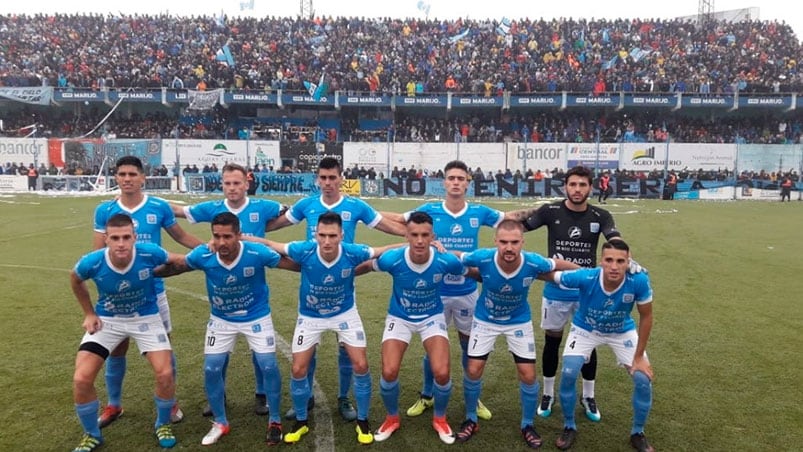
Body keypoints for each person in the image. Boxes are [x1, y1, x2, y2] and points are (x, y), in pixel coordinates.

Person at [267, 156, 406, 421]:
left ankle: (344, 397)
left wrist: (414, 235)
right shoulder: (307, 204)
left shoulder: (356, 206)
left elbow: (387, 226)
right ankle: (305, 397)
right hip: (311, 281)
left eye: (333, 177)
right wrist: (243, 229)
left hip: (345, 279)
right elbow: (279, 224)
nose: (328, 183)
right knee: (310, 347)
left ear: (341, 178)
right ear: (317, 179)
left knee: (346, 348)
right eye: (323, 178)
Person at [250, 212, 401, 445]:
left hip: (345, 314)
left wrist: (412, 241)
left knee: (361, 364)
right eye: (322, 235)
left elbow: (381, 250)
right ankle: (301, 421)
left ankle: (363, 421)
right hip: (310, 317)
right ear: (315, 234)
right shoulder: (304, 249)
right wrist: (239, 239)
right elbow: (270, 243)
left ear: (341, 235)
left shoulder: (352, 251)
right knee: (299, 369)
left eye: (332, 235)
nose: (327, 241)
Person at [155, 212, 297, 446]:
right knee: (212, 368)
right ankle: (220, 421)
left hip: (256, 317)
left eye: (227, 236)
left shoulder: (255, 253)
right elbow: (178, 267)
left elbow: (290, 264)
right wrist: (147, 273)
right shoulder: (204, 254)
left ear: (239, 235)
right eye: (217, 236)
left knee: (268, 364)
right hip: (221, 320)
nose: (221, 242)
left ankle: (275, 420)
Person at [384, 160, 502, 420]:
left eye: (461, 178)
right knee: (433, 347)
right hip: (436, 292)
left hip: (468, 291)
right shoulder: (429, 210)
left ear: (468, 183)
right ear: (444, 182)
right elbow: (401, 220)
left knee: (469, 346)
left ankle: (474, 397)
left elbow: (511, 222)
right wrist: (369, 214)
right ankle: (427, 395)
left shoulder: (479, 212)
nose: (456, 182)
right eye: (452, 178)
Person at [507, 165, 624, 423]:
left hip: (587, 291)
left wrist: (625, 256)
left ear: (590, 188)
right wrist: (499, 221)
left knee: (588, 345)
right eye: (573, 184)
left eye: (582, 185)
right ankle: (548, 393)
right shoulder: (550, 211)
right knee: (552, 342)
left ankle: (588, 395)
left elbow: (613, 239)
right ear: (565, 187)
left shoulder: (600, 215)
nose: (577, 189)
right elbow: (519, 227)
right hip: (556, 289)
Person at [92, 155, 202, 429]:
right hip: (116, 297)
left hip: (153, 292)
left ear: (143, 177)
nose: (127, 179)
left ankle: (170, 400)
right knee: (116, 350)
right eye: (122, 174)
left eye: (132, 174)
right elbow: (96, 253)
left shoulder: (157, 206)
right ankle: (114, 404)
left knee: (164, 348)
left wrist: (208, 250)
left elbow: (181, 237)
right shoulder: (104, 211)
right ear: (116, 178)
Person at [172, 163, 285, 416]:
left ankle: (261, 394)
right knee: (218, 354)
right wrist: (142, 201)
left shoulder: (262, 206)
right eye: (227, 183)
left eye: (237, 183)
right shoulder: (212, 208)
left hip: (253, 283)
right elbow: (179, 211)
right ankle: (218, 395)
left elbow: (286, 215)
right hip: (221, 284)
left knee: (260, 352)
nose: (232, 188)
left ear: (247, 183)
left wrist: (262, 236)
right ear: (221, 184)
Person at [454, 220, 579, 448]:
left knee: (528, 375)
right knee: (473, 370)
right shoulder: (482, 257)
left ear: (523, 242)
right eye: (503, 242)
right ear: (495, 242)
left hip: (518, 322)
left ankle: (527, 424)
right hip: (485, 320)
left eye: (514, 242)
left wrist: (588, 272)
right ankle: (471, 418)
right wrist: (436, 248)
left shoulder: (533, 261)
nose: (508, 247)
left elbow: (555, 263)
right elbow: (457, 257)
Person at [70, 214, 183, 452]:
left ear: (134, 237)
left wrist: (210, 252)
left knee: (164, 373)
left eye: (126, 237)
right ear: (106, 240)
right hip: (108, 321)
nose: (121, 243)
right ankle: (92, 434)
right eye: (115, 238)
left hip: (146, 318)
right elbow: (75, 279)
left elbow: (180, 260)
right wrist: (89, 313)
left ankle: (162, 424)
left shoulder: (149, 252)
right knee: (81, 379)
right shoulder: (92, 262)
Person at [359, 211, 465, 445]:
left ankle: (440, 418)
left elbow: (470, 270)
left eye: (424, 235)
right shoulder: (393, 258)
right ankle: (392, 418)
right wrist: (339, 275)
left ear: (432, 236)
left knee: (442, 372)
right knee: (388, 371)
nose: (419, 240)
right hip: (400, 317)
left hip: (431, 318)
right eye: (414, 234)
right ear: (406, 235)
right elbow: (366, 266)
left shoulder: (445, 260)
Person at [552, 240, 655, 452]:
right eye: (609, 260)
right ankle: (569, 425)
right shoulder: (586, 276)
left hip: (621, 330)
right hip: (585, 329)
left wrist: (638, 358)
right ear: (601, 261)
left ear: (629, 261)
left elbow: (646, 317)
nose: (614, 266)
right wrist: (521, 264)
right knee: (569, 372)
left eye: (620, 261)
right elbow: (550, 274)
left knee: (643, 380)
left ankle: (638, 432)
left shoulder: (639, 280)